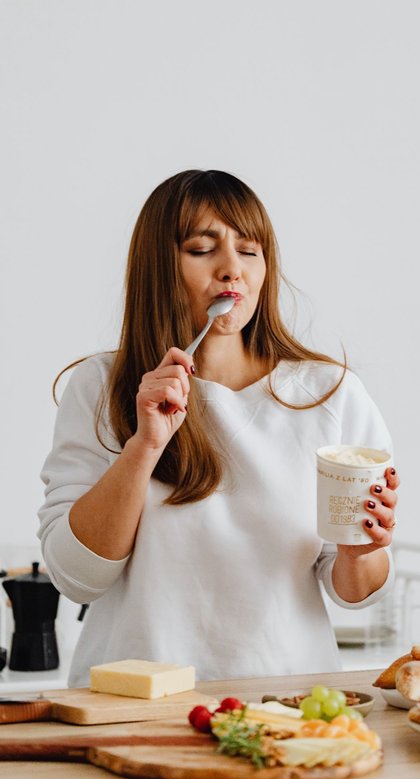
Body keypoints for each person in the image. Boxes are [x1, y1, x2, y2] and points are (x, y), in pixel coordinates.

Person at [38, 169, 399, 687]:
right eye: (202, 249)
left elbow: (352, 591)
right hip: (130, 710)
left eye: (249, 251)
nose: (233, 269)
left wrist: (361, 552)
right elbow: (77, 578)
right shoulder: (101, 386)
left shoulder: (330, 394)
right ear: (159, 267)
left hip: (287, 703)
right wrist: (144, 446)